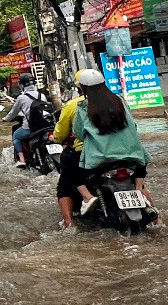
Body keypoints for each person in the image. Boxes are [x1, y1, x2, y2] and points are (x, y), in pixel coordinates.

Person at [74, 72, 155, 216]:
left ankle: (87, 197)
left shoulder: (83, 107)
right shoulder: (119, 101)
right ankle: (138, 189)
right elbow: (133, 125)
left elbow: (79, 134)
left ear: (83, 89)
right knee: (142, 163)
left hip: (101, 159)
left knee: (73, 168)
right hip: (132, 156)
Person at [52, 69, 90, 228]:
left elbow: (62, 135)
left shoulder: (76, 105)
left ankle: (69, 222)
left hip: (88, 154)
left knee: (65, 182)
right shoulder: (117, 101)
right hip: (123, 153)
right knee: (139, 184)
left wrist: (60, 139)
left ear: (80, 87)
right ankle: (153, 215)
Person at [1, 73, 48, 168]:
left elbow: (13, 113)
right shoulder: (42, 95)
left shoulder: (21, 98)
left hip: (29, 128)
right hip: (45, 126)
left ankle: (22, 160)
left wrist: (5, 119)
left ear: (22, 85)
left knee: (16, 136)